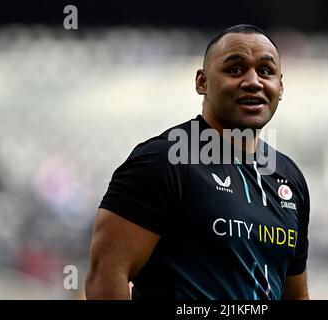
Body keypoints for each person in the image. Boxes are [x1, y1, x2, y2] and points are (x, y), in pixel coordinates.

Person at [85, 24, 311, 300]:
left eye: (265, 71)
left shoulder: (289, 177)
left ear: (280, 86)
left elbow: (295, 294)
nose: (253, 81)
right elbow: (105, 278)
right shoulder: (162, 161)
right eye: (235, 69)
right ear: (201, 82)